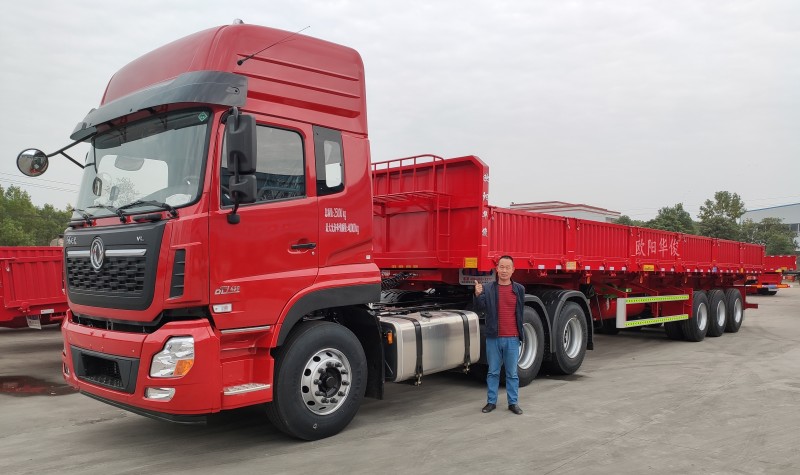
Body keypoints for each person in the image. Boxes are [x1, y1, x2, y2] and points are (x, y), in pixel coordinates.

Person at [474, 255, 525, 415]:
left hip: (512, 338)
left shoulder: (519, 289)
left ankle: (513, 403)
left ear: (513, 270)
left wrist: (519, 335)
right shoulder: (488, 288)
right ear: (496, 269)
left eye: (507, 267)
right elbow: (480, 308)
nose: (504, 270)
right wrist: (477, 295)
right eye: (501, 267)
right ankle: (491, 402)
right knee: (493, 372)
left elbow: (520, 313)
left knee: (512, 373)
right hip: (493, 338)